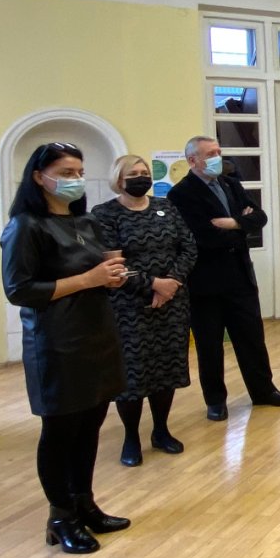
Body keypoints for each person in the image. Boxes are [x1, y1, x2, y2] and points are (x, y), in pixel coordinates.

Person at [0, 143, 131, 553]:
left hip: (97, 334)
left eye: (78, 172)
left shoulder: (85, 221)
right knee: (61, 431)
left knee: (90, 426)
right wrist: (88, 280)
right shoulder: (26, 226)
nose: (75, 179)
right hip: (57, 341)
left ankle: (84, 503)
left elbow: (97, 273)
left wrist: (111, 279)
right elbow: (20, 289)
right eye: (66, 172)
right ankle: (60, 517)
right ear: (39, 177)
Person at [168, 135, 280, 420]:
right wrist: (241, 227)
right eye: (210, 154)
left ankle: (263, 391)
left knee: (252, 338)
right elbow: (202, 236)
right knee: (210, 346)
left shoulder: (231, 184)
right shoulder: (180, 194)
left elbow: (260, 217)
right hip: (205, 283)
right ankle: (215, 401)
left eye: (218, 151)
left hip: (240, 278)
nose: (218, 157)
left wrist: (234, 223)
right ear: (192, 160)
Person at [91, 155, 197, 466]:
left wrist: (171, 283)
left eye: (144, 172)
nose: (141, 177)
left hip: (173, 302)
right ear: (119, 179)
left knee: (167, 367)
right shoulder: (104, 214)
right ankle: (131, 438)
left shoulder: (166, 206)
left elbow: (188, 247)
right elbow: (113, 263)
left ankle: (161, 430)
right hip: (129, 305)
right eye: (133, 173)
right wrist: (153, 285)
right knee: (133, 373)